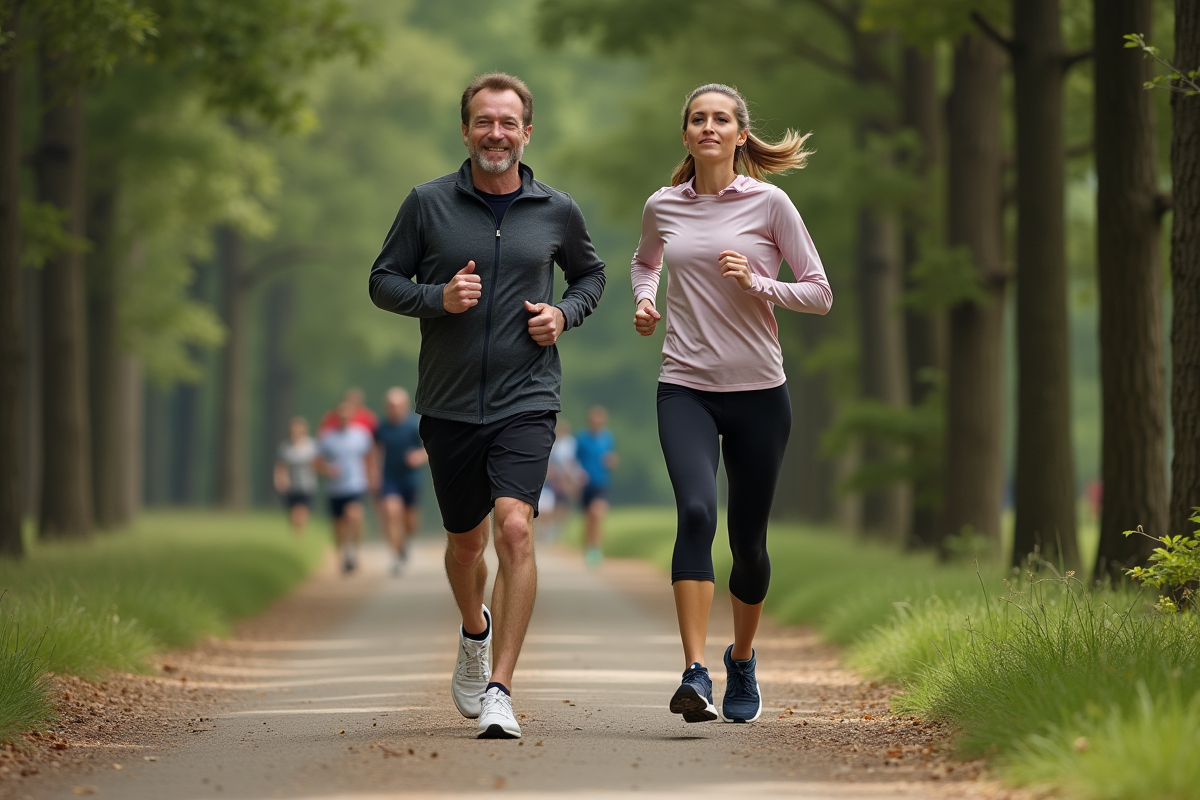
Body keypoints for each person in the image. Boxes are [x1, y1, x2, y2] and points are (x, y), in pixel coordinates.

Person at [368, 72, 606, 739]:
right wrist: (436, 298)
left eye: (507, 123)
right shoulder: (426, 204)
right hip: (447, 402)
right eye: (483, 121)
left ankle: (500, 688)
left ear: (527, 132)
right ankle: (475, 631)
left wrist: (564, 313)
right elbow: (382, 280)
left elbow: (591, 275)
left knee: (515, 529)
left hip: (527, 396)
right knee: (466, 544)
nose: (495, 134)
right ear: (465, 130)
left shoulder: (557, 210)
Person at [631, 83, 832, 725]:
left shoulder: (770, 203)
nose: (709, 127)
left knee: (748, 543)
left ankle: (740, 658)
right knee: (695, 512)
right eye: (698, 119)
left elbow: (820, 292)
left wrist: (759, 283)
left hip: (759, 394)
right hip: (684, 386)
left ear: (741, 134)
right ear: (686, 134)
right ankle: (695, 672)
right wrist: (645, 299)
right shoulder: (663, 205)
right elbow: (644, 262)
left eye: (721, 119)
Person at [372, 387, 427, 575]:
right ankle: (395, 556)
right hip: (390, 478)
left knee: (410, 521)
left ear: (405, 406)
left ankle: (405, 542)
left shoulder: (414, 426)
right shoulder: (381, 428)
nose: (394, 409)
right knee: (390, 511)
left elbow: (428, 449)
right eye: (390, 405)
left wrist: (418, 457)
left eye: (397, 405)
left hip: (410, 478)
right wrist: (374, 474)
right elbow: (375, 451)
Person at [316, 400, 374, 575]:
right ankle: (343, 555)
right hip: (335, 488)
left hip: (356, 484)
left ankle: (354, 551)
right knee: (338, 526)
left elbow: (371, 456)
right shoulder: (327, 437)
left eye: (347, 415)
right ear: (336, 417)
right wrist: (327, 469)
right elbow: (316, 461)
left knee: (355, 516)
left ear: (352, 416)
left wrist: (372, 475)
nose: (344, 418)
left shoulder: (361, 435)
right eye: (341, 416)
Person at [573, 406, 617, 567]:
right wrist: (576, 477)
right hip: (585, 484)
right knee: (588, 518)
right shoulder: (581, 438)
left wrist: (611, 461)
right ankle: (589, 547)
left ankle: (596, 549)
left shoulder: (608, 438)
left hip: (601, 482)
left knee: (597, 513)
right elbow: (574, 461)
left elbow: (611, 458)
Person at [274, 416, 317, 534]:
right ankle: (296, 534)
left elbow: (316, 463)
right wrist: (279, 480)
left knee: (302, 511)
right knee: (293, 513)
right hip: (291, 485)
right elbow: (281, 466)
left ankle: (301, 533)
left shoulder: (310, 445)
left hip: (307, 484)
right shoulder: (285, 447)